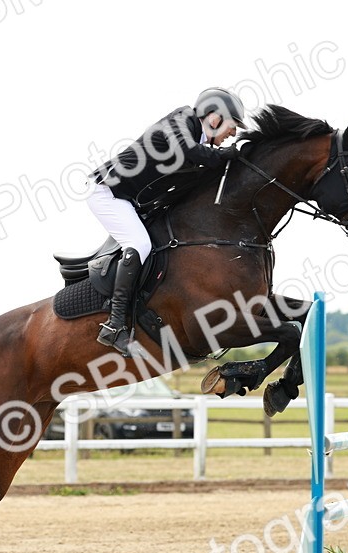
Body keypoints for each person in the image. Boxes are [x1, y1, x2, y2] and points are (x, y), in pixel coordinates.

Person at [87, 87, 246, 357]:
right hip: (107, 192)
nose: (233, 134)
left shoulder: (200, 141)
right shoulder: (181, 119)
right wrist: (225, 156)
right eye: (233, 126)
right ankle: (114, 326)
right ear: (215, 117)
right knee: (138, 243)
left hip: (132, 200)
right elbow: (188, 151)